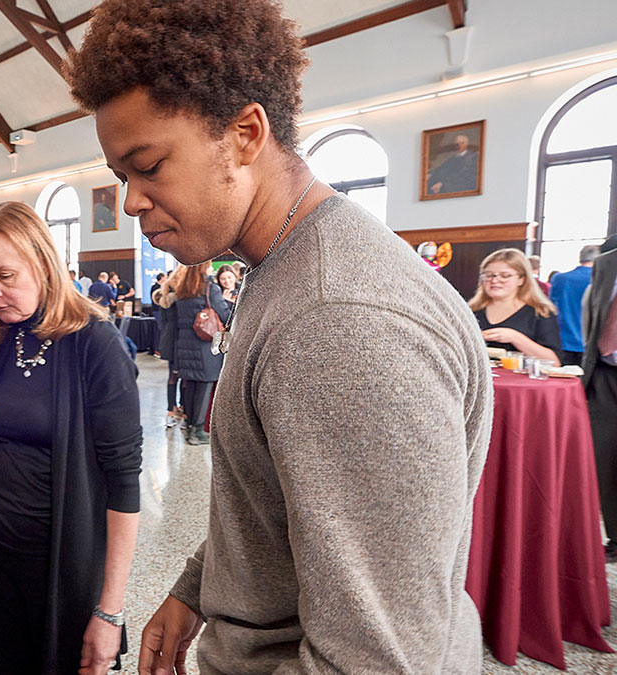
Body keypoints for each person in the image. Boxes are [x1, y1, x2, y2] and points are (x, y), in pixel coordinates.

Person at [66, 0, 492, 671]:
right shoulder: (286, 263)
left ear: (244, 133)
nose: (131, 201)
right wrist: (199, 586)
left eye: (148, 165)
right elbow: (285, 502)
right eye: (122, 176)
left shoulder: (338, 320)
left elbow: (377, 659)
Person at [0, 201, 141, 675]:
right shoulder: (6, 338)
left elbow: (124, 482)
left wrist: (109, 610)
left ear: (43, 264)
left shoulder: (96, 343)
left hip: (63, 566)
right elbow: (15, 439)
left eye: (5, 275)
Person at [582, 235, 617, 563]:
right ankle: (616, 540)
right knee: (603, 459)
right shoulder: (606, 263)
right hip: (605, 374)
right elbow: (595, 320)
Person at [469, 248, 562, 366]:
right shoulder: (470, 311)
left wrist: (515, 337)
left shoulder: (541, 311)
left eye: (505, 275)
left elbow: (554, 362)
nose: (494, 280)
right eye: (488, 275)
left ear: (521, 280)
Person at [171, 265, 229, 445]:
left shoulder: (183, 289)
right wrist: (229, 302)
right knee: (204, 386)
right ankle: (197, 431)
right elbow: (225, 314)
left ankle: (189, 424)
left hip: (185, 344)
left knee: (191, 385)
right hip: (205, 346)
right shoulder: (210, 288)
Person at [550, 244, 601, 366]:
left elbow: (550, 307)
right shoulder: (600, 280)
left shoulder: (560, 278)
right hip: (591, 344)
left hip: (562, 340)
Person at [153, 268, 183, 428]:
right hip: (179, 339)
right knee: (181, 375)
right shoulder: (180, 299)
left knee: (173, 375)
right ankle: (177, 410)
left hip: (168, 339)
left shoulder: (163, 299)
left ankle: (171, 410)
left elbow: (163, 323)